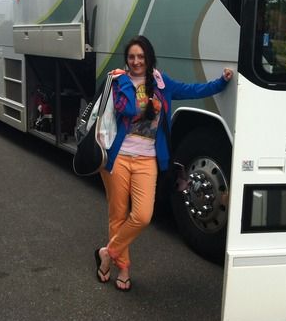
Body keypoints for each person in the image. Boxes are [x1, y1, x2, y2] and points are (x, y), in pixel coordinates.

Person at [94, 35, 233, 291]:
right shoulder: (118, 81)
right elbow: (127, 110)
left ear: (149, 58)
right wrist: (124, 81)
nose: (136, 61)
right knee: (118, 215)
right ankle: (123, 268)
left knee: (143, 215)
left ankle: (107, 252)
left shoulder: (162, 83)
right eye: (131, 57)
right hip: (118, 157)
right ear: (127, 59)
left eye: (141, 56)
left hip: (147, 160)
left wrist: (221, 82)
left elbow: (192, 90)